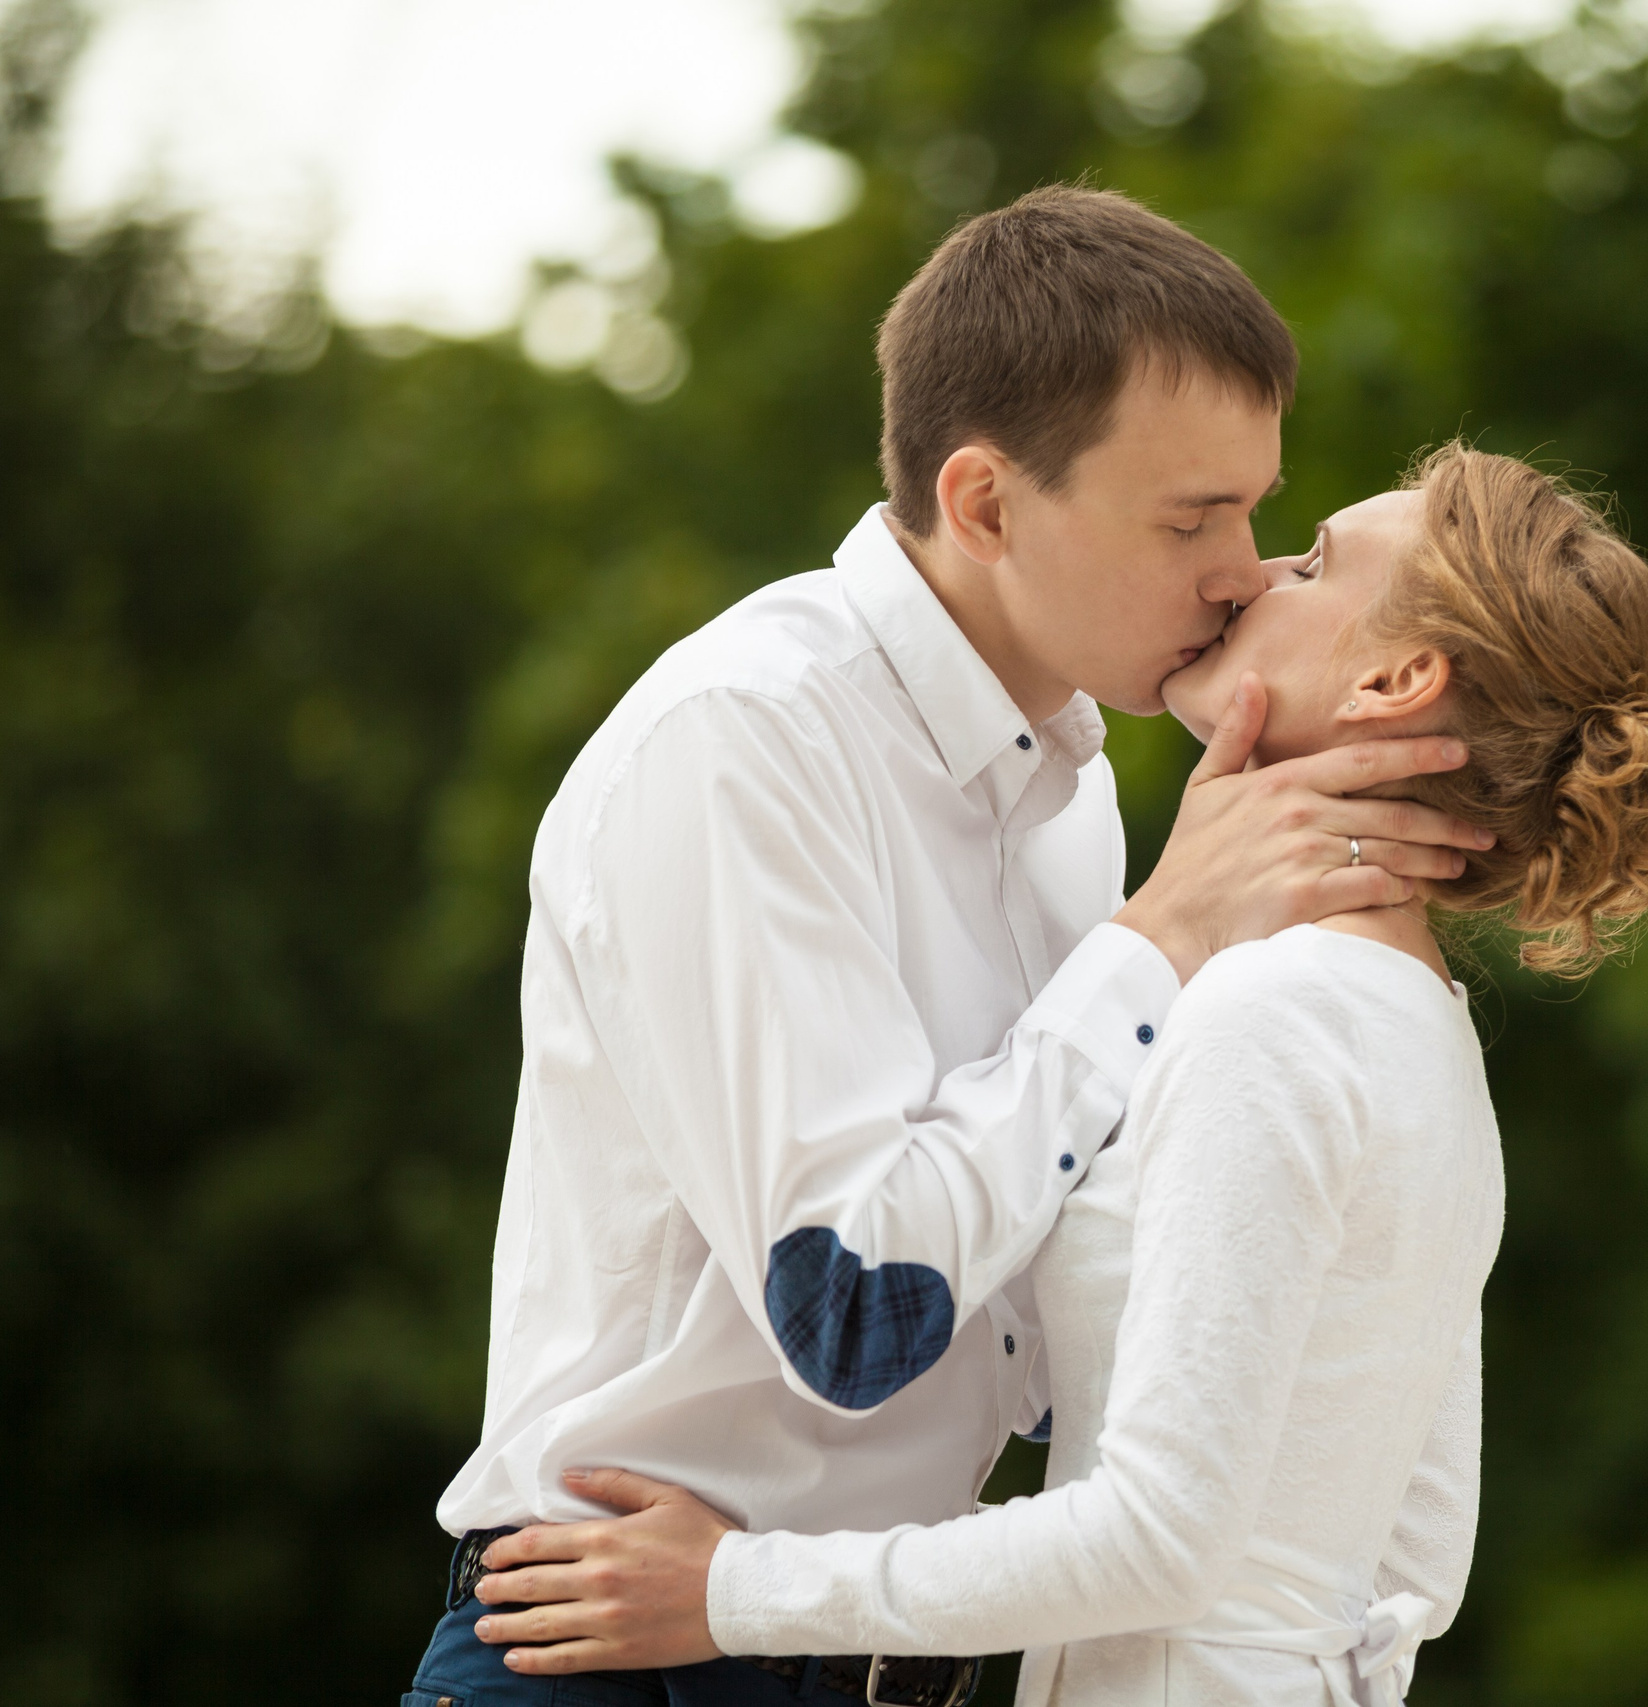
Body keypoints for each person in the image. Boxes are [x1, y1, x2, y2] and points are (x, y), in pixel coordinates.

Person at [403, 187, 1497, 1707]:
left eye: (1258, 508)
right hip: (629, 1646)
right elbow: (857, 1312)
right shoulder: (748, 741)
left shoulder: (1068, 790)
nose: (1242, 569)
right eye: (1192, 518)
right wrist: (1166, 933)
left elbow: (1036, 1324)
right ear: (985, 503)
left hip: (868, 1649)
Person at [460, 443, 1648, 1706]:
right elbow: (1421, 1555)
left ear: (1396, 679)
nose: (1254, 574)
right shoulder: (1425, 1027)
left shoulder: (1264, 1012)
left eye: (1318, 559)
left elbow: (1158, 1538)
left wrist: (731, 1592)